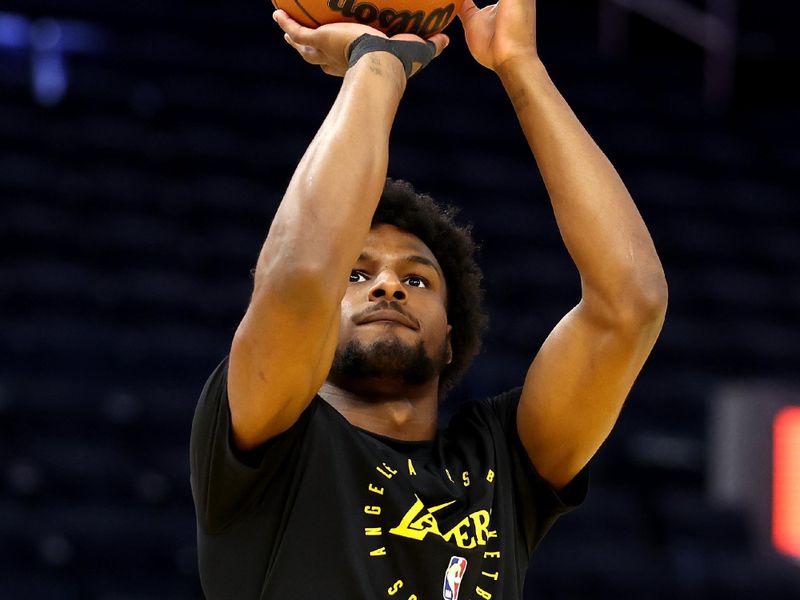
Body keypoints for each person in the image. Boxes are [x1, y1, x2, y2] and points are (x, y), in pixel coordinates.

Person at [189, 0, 668, 598]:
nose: (388, 285)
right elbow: (299, 277)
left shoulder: (501, 460)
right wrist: (378, 63)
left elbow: (631, 302)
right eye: (357, 276)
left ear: (450, 339)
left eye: (417, 280)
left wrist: (522, 67)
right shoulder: (268, 435)